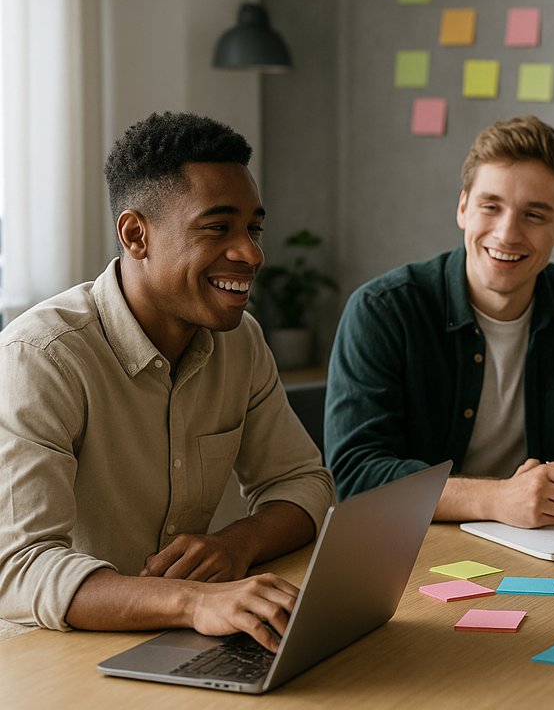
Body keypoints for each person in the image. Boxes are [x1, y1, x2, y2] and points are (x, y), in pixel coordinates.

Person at [0, 112, 334, 651]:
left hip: (182, 640)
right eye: (218, 228)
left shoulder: (241, 341)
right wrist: (195, 601)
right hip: (53, 653)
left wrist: (236, 544)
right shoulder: (40, 358)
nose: (252, 253)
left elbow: (304, 483)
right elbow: (20, 568)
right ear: (136, 235)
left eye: (253, 229)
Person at [324, 115, 554, 528]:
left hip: (539, 536)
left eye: (534, 215)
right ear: (463, 208)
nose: (507, 234)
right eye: (491, 207)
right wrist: (498, 499)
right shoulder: (382, 310)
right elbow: (357, 473)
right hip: (418, 541)